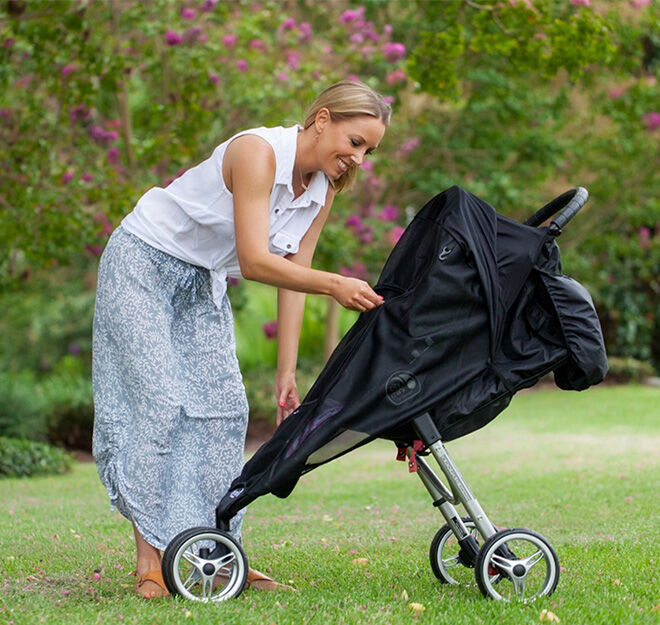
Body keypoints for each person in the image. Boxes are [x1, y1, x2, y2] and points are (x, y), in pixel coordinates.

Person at [92, 80, 391, 598]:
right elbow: (256, 262)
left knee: (226, 410)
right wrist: (337, 285)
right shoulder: (257, 152)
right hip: (142, 262)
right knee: (159, 406)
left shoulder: (320, 189)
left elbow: (296, 269)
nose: (359, 159)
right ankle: (151, 562)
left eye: (369, 150)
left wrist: (286, 369)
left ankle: (218, 553)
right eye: (356, 141)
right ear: (322, 119)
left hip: (201, 278)